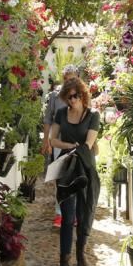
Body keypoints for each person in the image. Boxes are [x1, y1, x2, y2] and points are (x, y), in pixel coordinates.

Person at [48, 76, 101, 266]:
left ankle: (81, 256)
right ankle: (64, 265)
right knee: (67, 217)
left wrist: (75, 146)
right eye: (67, 97)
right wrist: (69, 146)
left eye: (74, 96)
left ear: (82, 95)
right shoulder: (61, 113)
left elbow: (89, 143)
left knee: (83, 213)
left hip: (85, 170)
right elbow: (52, 139)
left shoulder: (93, 116)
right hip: (67, 169)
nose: (71, 101)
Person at [43, 65, 81, 228]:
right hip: (59, 141)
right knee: (61, 177)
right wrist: (46, 141)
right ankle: (60, 214)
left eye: (72, 79)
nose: (69, 82)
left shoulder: (82, 95)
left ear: (77, 78)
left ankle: (75, 213)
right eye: (66, 79)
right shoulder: (55, 96)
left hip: (78, 141)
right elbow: (48, 120)